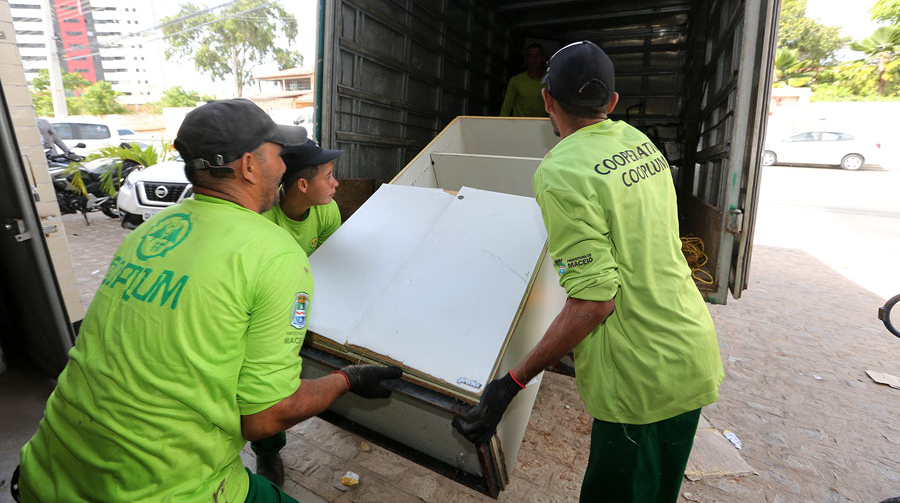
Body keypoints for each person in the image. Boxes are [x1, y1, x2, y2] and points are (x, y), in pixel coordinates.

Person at [14, 99, 401, 503]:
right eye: (277, 154)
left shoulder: (151, 231)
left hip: (48, 467)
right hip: (161, 488)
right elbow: (265, 416)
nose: (284, 166)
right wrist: (348, 380)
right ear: (250, 166)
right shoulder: (274, 252)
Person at [453, 42, 723, 502]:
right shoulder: (641, 145)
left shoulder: (560, 171)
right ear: (612, 103)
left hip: (641, 380)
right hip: (689, 351)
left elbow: (595, 302)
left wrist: (511, 383)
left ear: (547, 100)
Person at [251, 139, 343, 483]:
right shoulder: (264, 219)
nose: (336, 184)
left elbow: (332, 266)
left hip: (306, 296)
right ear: (302, 185)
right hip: (267, 307)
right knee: (265, 384)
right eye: (329, 177)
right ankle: (268, 450)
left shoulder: (326, 210)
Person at [499, 42, 547, 117]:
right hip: (519, 126)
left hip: (541, 126)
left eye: (537, 55)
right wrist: (500, 125)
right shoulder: (516, 81)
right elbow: (506, 107)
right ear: (526, 59)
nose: (534, 59)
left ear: (543, 58)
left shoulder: (550, 81)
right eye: (530, 55)